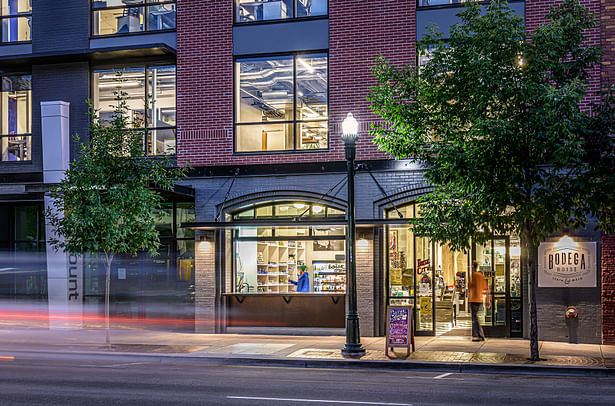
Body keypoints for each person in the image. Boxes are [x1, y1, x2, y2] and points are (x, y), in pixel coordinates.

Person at [469, 261, 490, 341]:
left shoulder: (474, 275)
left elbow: (470, 286)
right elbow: (486, 288)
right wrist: (487, 299)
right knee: (475, 317)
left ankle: (480, 335)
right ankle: (478, 335)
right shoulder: (481, 276)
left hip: (474, 298)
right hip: (479, 299)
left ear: (473, 267)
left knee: (475, 318)